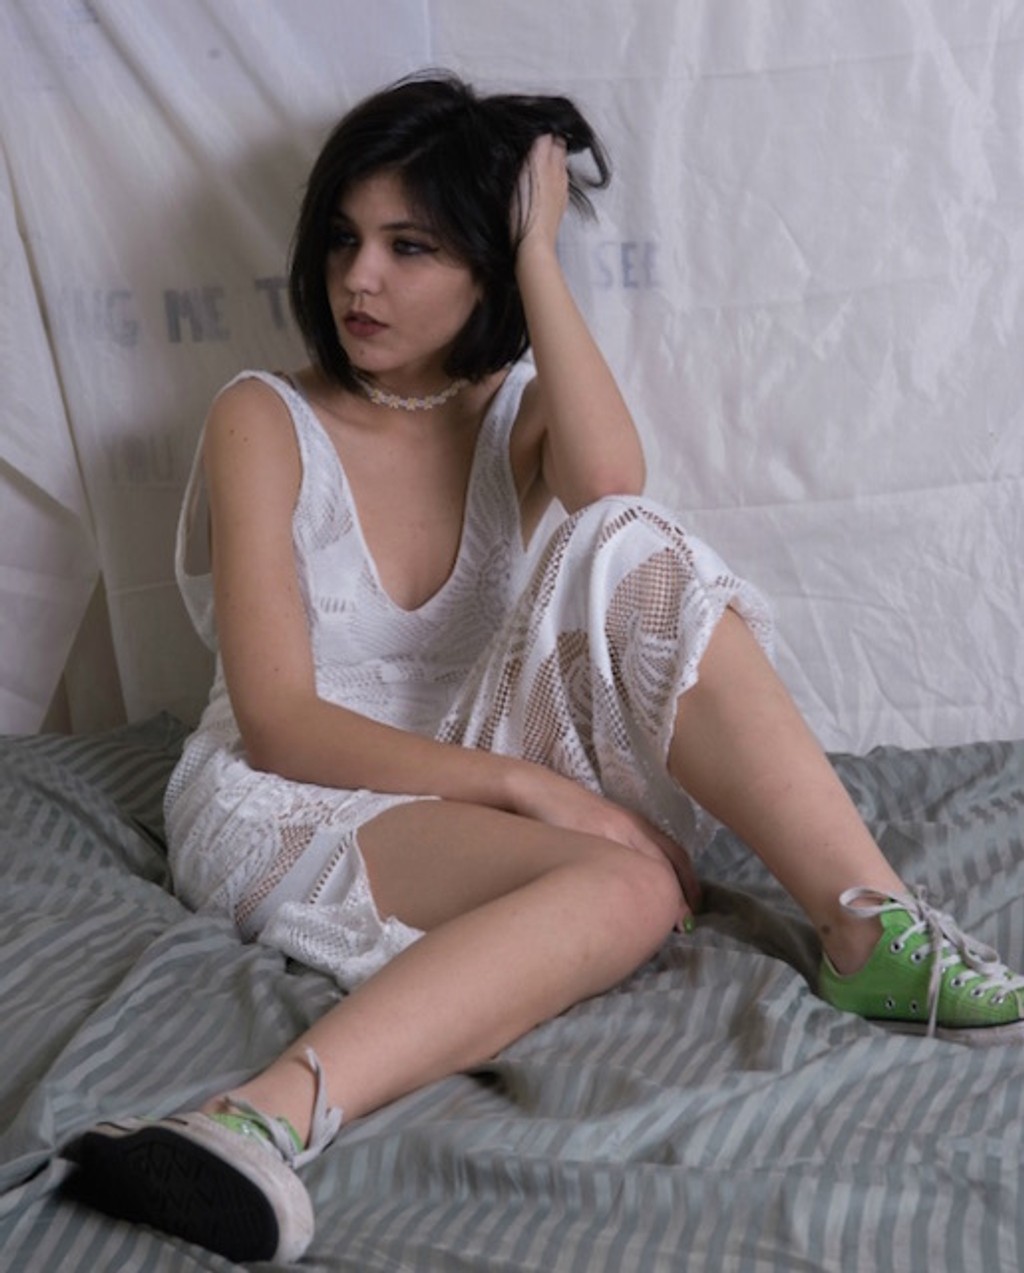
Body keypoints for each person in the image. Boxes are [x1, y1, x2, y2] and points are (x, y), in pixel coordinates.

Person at [65, 71, 1024, 1263]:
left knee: (628, 540)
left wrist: (535, 254)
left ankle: (867, 927)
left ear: (484, 268)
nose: (359, 278)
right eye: (345, 240)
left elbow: (611, 483)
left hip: (461, 749)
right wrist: (537, 792)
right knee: (630, 890)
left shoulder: (510, 411)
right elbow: (277, 721)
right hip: (294, 785)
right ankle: (254, 1118)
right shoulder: (261, 418)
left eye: (411, 246)